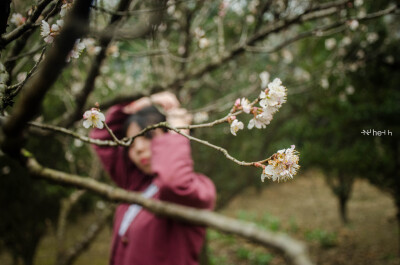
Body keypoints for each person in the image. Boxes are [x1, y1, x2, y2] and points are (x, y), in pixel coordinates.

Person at [90, 91, 216, 265]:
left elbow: (174, 183)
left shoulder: (198, 189)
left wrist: (177, 129)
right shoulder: (134, 182)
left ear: (173, 136)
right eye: (131, 143)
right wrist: (147, 100)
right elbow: (101, 136)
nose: (138, 148)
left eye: (147, 136)